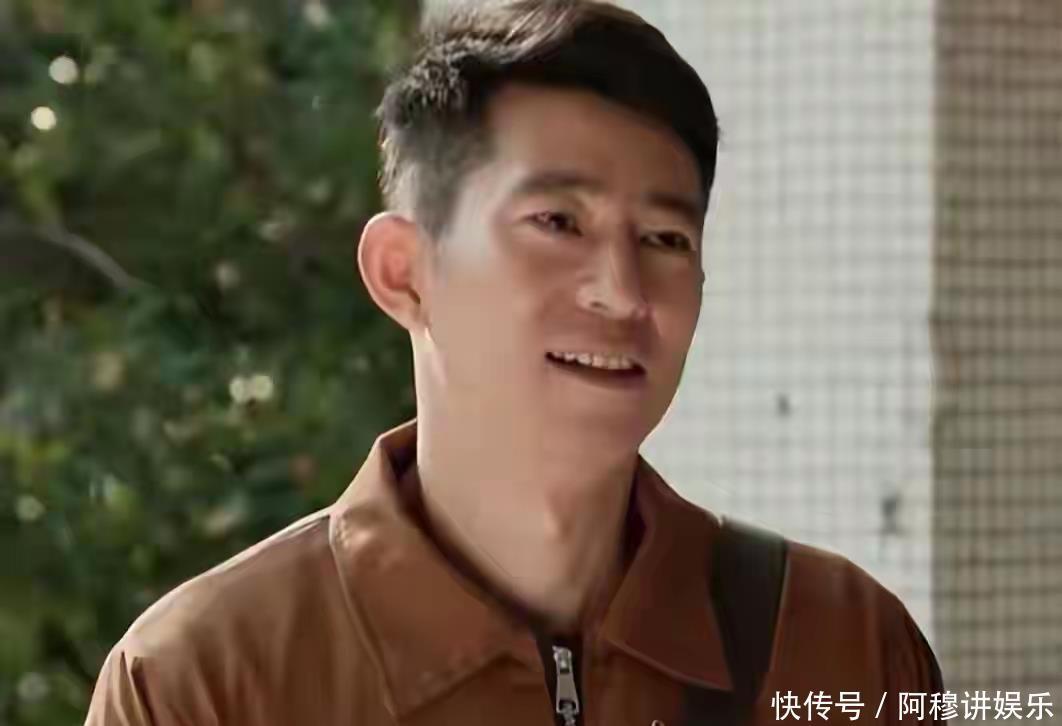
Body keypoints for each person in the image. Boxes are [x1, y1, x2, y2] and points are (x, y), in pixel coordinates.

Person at [85, 1, 943, 724]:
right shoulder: (202, 681)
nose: (621, 291)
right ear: (404, 272)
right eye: (557, 224)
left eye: (664, 238)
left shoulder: (843, 643)